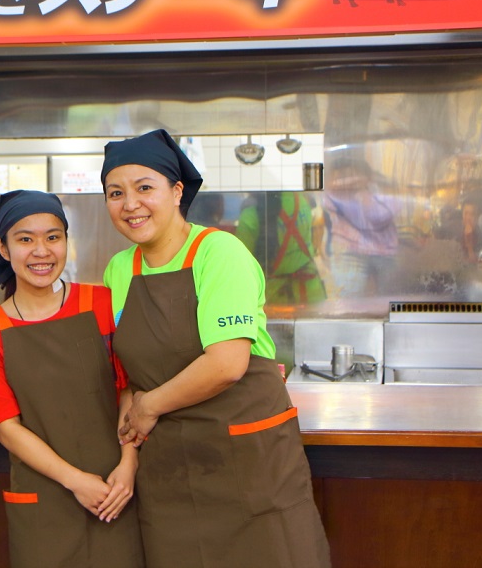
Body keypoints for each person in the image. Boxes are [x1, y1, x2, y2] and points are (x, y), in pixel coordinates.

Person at [100, 129, 330, 567]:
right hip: (170, 469)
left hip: (247, 459)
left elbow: (226, 364)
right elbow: (126, 377)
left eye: (144, 188)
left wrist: (149, 407)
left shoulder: (219, 253)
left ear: (177, 191)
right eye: (116, 193)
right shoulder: (119, 270)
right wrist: (128, 455)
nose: (130, 204)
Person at [0, 190, 144, 568]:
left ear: (66, 241)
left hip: (116, 490)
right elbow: (8, 429)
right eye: (25, 240)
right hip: (46, 498)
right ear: (2, 248)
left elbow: (129, 389)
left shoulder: (102, 303)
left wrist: (128, 465)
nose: (41, 251)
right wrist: (76, 480)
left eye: (53, 237)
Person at [322, 157, 398, 298]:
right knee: (349, 300)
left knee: (388, 300)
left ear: (367, 177)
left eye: (351, 175)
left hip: (385, 252)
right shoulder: (333, 196)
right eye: (340, 176)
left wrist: (365, 198)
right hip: (350, 252)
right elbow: (326, 204)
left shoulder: (383, 193)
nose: (346, 181)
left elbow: (381, 217)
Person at [236, 191, 327, 307]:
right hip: (313, 295)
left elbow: (239, 267)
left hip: (276, 301)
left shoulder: (250, 216)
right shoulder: (299, 198)